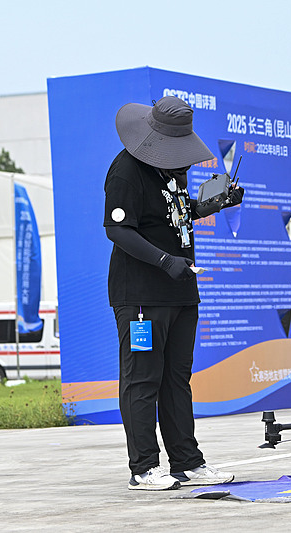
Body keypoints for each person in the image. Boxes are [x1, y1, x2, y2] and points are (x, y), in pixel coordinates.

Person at [103, 96, 243, 490]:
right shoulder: (126, 170)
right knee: (142, 379)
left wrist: (215, 202)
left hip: (181, 292)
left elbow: (178, 212)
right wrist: (165, 261)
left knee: (176, 380)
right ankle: (144, 467)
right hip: (142, 295)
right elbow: (117, 229)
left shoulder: (173, 169)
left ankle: (187, 462)